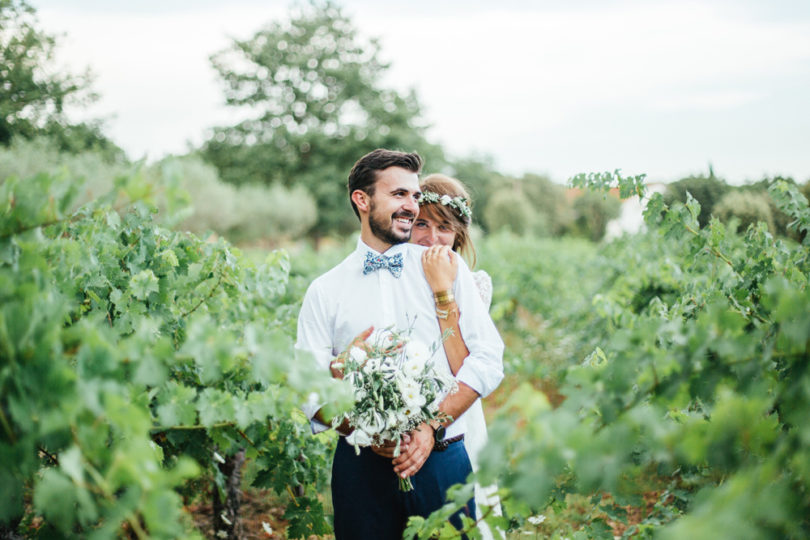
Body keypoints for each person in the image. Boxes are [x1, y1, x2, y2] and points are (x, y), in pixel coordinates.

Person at [296, 149, 504, 539]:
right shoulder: (325, 291)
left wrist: (430, 426)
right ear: (362, 200)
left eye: (414, 195)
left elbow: (488, 360)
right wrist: (367, 432)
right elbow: (309, 390)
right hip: (361, 468)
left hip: (443, 459)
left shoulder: (446, 269)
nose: (411, 206)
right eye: (399, 195)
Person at [410, 174, 503, 539]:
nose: (431, 238)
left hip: (456, 412)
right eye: (422, 223)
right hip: (406, 409)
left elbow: (461, 365)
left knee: (460, 515)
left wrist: (442, 291)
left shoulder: (472, 282)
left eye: (444, 228)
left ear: (458, 236)